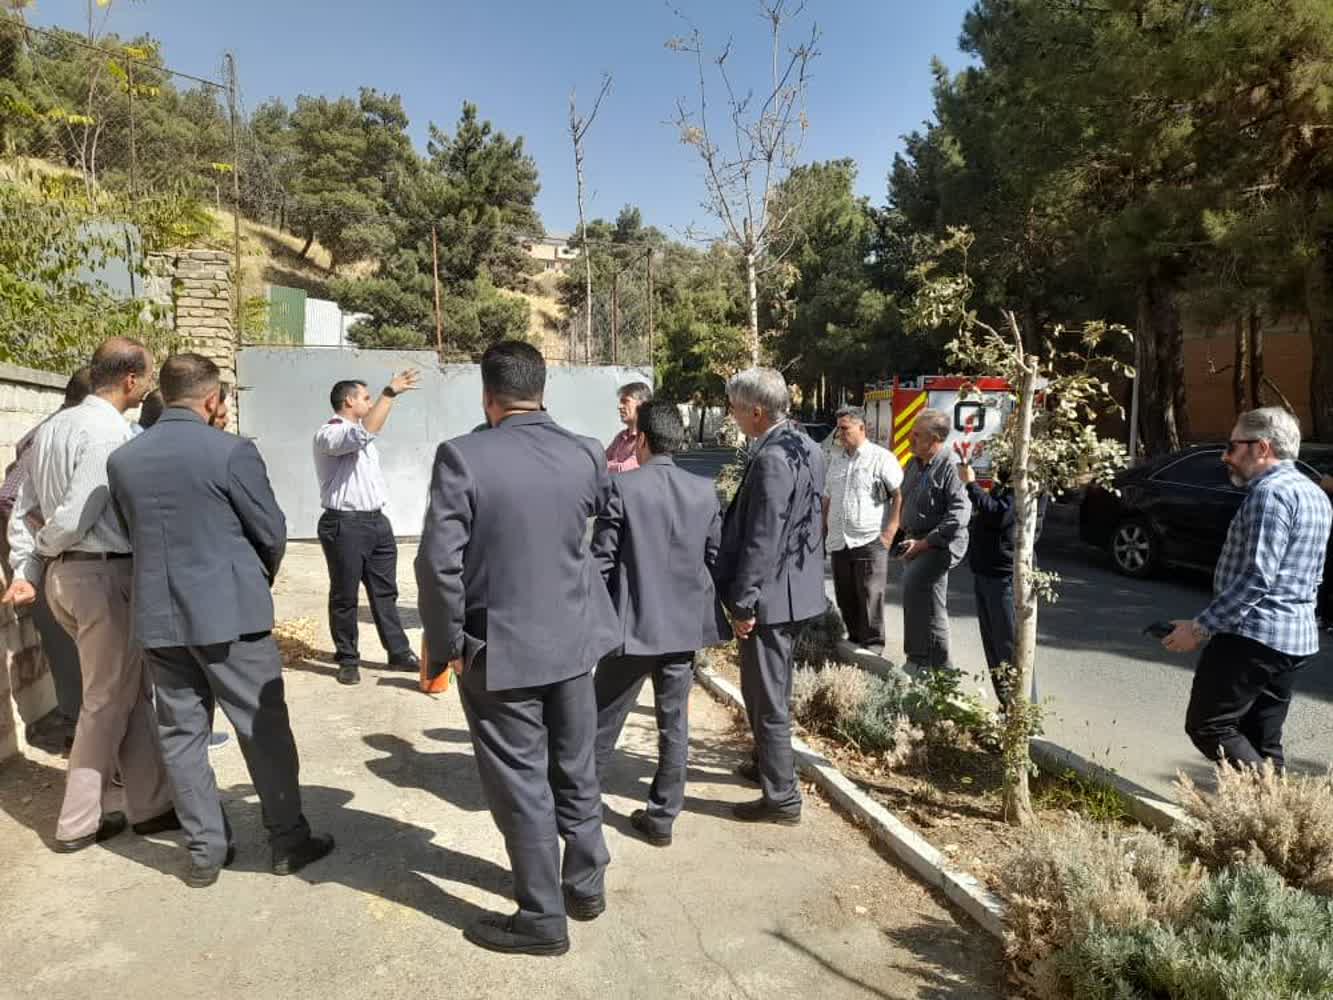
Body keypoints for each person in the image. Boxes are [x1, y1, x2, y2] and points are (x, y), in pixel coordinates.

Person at [416, 340, 618, 956]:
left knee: (522, 783)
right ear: (542, 390)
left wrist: (446, 644)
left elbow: (437, 564)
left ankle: (541, 919)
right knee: (575, 767)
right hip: (575, 645)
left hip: (500, 652)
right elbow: (605, 523)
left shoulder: (463, 456)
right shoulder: (587, 452)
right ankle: (584, 886)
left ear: (488, 396)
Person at [108, 353, 334, 887]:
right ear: (212, 399)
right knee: (262, 729)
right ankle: (288, 841)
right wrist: (253, 580)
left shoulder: (124, 460)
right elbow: (271, 530)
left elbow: (130, 531)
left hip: (160, 616)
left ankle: (205, 852)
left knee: (181, 735)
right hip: (231, 617)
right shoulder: (232, 452)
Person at [2, 338, 174, 852]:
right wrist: (45, 549)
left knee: (128, 691)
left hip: (69, 578)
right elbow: (78, 513)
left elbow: (23, 510)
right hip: (101, 575)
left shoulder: (51, 428)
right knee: (105, 701)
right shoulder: (108, 433)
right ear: (130, 380)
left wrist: (30, 565)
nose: (148, 387)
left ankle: (150, 805)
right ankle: (78, 821)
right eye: (147, 377)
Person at [590, 400, 731, 847]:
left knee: (600, 722)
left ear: (643, 440)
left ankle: (578, 807)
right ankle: (663, 818)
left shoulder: (622, 488)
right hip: (682, 631)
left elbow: (600, 563)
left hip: (630, 628)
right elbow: (714, 559)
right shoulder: (703, 491)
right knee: (674, 726)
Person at [1163, 407, 1332, 770]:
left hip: (1252, 638)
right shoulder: (1314, 494)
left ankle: (1263, 796)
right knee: (1262, 742)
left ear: (1262, 448)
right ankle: (1275, 805)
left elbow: (1257, 578)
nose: (1225, 457)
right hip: (1294, 639)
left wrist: (1199, 629)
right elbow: (1312, 575)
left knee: (1210, 726)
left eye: (1232, 446)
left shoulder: (1269, 495)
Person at [713, 368, 826, 825]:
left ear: (757, 412)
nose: (733, 417)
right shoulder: (807, 446)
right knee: (771, 690)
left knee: (766, 698)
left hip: (771, 600)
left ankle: (781, 799)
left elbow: (763, 538)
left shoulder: (773, 458)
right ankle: (765, 763)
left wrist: (744, 603)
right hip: (796, 592)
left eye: (735, 409)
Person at [313, 369, 422, 686]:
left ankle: (398, 652)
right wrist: (389, 394)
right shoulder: (330, 433)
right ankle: (348, 659)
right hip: (344, 524)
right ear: (348, 401)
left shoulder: (362, 434)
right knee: (345, 595)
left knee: (385, 592)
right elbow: (362, 435)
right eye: (366, 397)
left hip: (376, 522)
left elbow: (366, 434)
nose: (371, 402)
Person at [0, 367, 91, 738]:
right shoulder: (50, 435)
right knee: (72, 659)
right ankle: (80, 739)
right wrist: (42, 548)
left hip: (55, 561)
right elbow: (10, 497)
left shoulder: (58, 430)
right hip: (51, 563)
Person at [959, 460, 1046, 709]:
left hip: (1006, 577)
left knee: (1011, 648)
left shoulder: (1028, 477)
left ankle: (1023, 714)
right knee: (994, 647)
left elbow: (999, 514)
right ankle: (1008, 706)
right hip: (987, 571)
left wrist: (971, 484)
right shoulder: (1009, 476)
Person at [896, 409, 971, 676]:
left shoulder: (950, 466)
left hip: (941, 543)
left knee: (914, 585)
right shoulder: (914, 462)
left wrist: (924, 544)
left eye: (917, 435)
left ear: (936, 439)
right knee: (930, 602)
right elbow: (902, 498)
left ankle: (918, 660)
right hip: (916, 539)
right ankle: (940, 668)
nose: (910, 439)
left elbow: (958, 516)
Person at [823, 405, 903, 650]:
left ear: (861, 427)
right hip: (839, 541)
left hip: (869, 540)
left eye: (844, 428)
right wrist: (822, 530)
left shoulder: (881, 458)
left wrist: (890, 531)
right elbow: (827, 498)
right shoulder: (836, 461)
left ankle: (873, 650)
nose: (840, 434)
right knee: (845, 597)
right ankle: (855, 644)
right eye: (838, 429)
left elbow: (898, 495)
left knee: (870, 597)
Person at [605, 381, 652, 473]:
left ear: (641, 404)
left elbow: (626, 469)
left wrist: (602, 467)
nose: (619, 406)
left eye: (625, 401)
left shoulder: (646, 437)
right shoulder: (621, 436)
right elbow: (601, 460)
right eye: (620, 402)